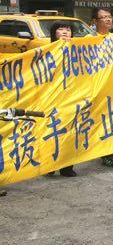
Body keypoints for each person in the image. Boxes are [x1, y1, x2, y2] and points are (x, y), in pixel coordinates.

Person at [45, 22, 78, 177]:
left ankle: (67, 167)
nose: (65, 32)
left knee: (70, 131)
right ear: (54, 33)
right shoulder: (45, 51)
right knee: (51, 131)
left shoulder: (79, 49)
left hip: (71, 97)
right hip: (52, 98)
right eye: (61, 29)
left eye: (68, 29)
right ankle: (49, 165)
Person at [92, 7, 113, 168]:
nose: (108, 20)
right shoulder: (88, 40)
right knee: (97, 121)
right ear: (95, 21)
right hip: (96, 87)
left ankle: (108, 153)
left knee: (111, 119)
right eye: (104, 17)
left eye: (110, 16)